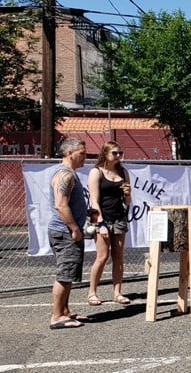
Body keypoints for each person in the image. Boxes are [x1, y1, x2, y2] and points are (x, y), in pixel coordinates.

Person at [48, 137, 88, 329]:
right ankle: (56, 316)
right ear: (68, 153)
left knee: (69, 273)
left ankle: (65, 312)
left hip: (67, 231)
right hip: (65, 232)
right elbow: (61, 205)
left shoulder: (70, 173)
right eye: (81, 153)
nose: (84, 157)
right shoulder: (65, 175)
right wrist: (74, 229)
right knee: (64, 274)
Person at [86, 141, 132, 306]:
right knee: (102, 256)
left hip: (119, 217)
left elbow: (128, 201)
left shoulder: (123, 172)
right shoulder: (96, 172)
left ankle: (117, 292)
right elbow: (94, 200)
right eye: (114, 153)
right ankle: (92, 292)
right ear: (105, 154)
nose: (118, 156)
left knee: (118, 257)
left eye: (120, 153)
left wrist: (127, 194)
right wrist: (101, 223)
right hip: (102, 217)